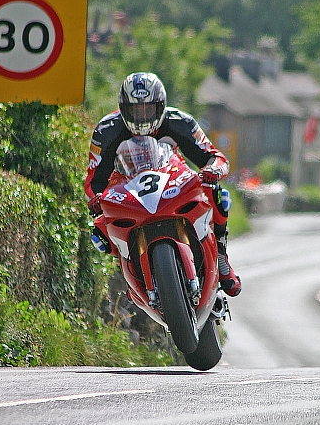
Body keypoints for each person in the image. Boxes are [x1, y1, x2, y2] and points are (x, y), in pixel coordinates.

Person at [84, 72, 241, 297]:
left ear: (161, 106)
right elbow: (93, 180)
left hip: (173, 181)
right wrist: (96, 199)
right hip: (128, 190)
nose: (142, 116)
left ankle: (222, 259)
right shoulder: (105, 131)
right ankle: (128, 271)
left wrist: (212, 171)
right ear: (122, 108)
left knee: (218, 195)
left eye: (148, 109)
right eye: (135, 110)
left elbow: (215, 157)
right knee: (98, 227)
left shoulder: (181, 122)